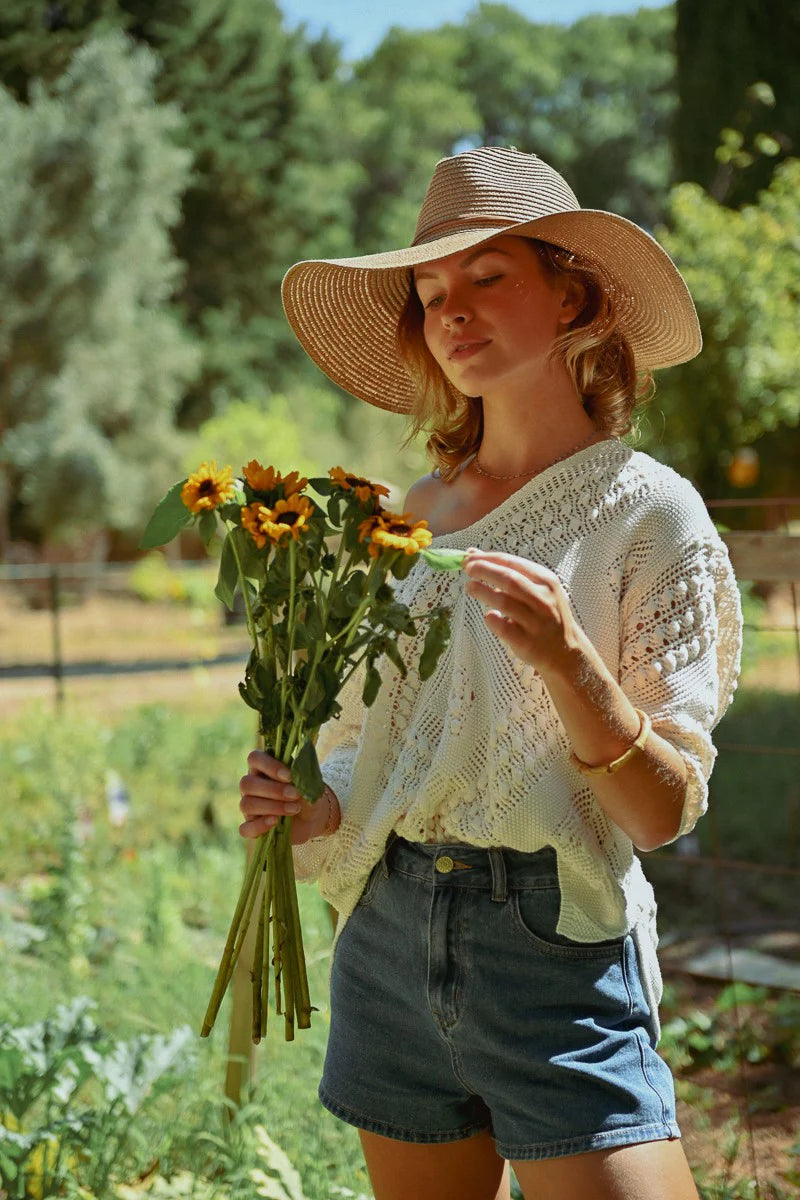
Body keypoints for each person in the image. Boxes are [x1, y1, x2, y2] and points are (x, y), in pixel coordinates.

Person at [238, 147, 742, 1200]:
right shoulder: (403, 522)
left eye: (484, 277)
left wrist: (569, 666)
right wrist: (310, 812)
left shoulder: (651, 514)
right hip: (384, 940)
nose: (451, 311)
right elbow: (365, 754)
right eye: (428, 294)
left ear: (572, 298)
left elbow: (658, 816)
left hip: (551, 948)